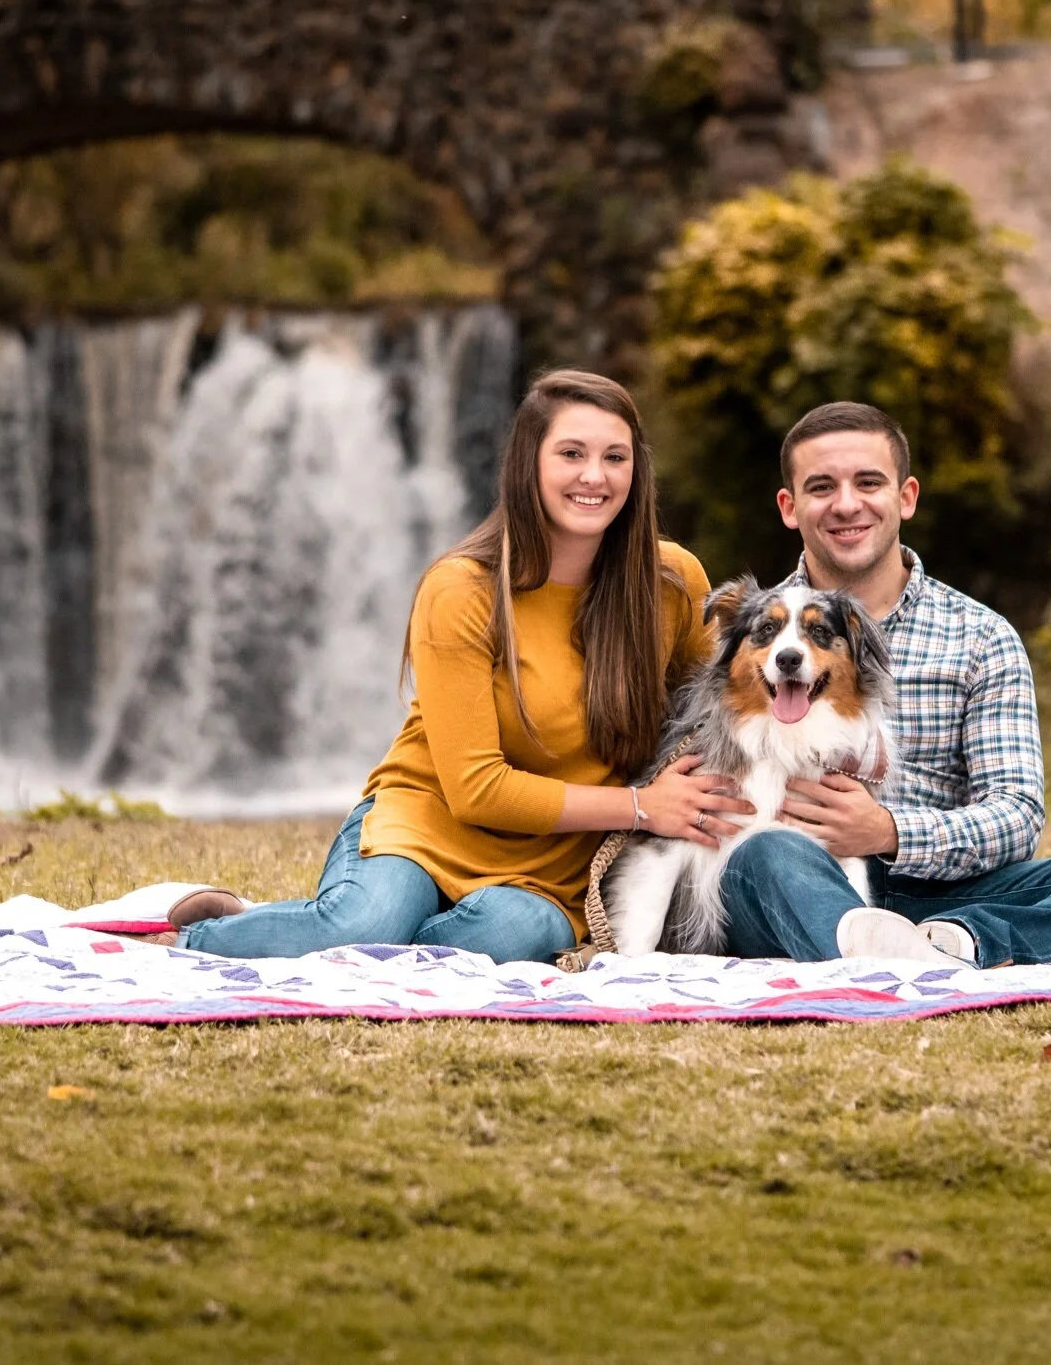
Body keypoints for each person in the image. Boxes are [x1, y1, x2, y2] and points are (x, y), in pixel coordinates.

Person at [161, 370, 744, 964]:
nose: (594, 476)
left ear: (635, 471)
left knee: (504, 937)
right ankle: (205, 935)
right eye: (571, 453)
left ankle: (312, 929)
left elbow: (714, 716)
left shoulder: (672, 581)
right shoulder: (462, 588)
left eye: (614, 457)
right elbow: (476, 790)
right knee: (365, 922)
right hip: (429, 822)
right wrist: (642, 806)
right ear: (528, 464)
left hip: (556, 865)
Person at [719, 400, 1051, 966]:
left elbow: (1016, 815)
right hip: (798, 872)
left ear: (906, 497)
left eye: (869, 482)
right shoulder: (752, 638)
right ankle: (886, 950)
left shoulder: (980, 637)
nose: (846, 505)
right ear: (790, 507)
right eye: (822, 487)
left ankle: (956, 944)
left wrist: (887, 831)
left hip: (944, 893)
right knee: (763, 858)